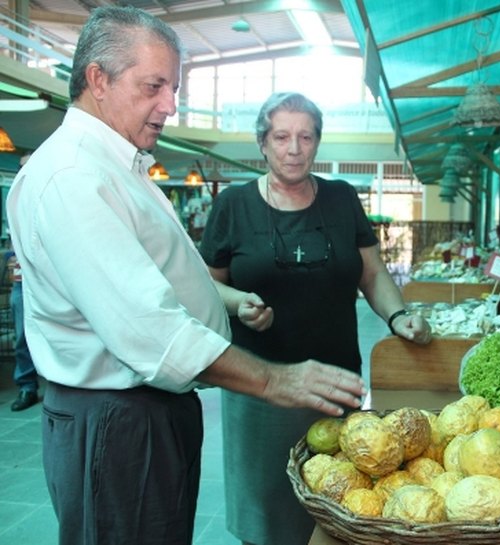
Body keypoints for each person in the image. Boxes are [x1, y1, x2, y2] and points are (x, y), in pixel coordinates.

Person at [7, 7, 365, 545]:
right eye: (154, 86)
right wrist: (275, 378)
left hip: (151, 409)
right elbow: (150, 331)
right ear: (97, 79)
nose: (170, 105)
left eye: (173, 88)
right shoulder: (73, 177)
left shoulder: (118, 165)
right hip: (118, 417)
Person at [198, 91, 432, 545]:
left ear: (317, 143)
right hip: (260, 384)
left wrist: (398, 314)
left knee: (338, 501)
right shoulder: (234, 204)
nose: (294, 148)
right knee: (267, 510)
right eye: (282, 136)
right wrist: (238, 301)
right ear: (263, 143)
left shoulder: (342, 199)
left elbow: (371, 272)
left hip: (335, 381)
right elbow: (206, 282)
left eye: (305, 136)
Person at [7, 241, 38, 412]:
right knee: (21, 336)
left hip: (49, 276)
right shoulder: (15, 213)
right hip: (22, 278)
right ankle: (27, 387)